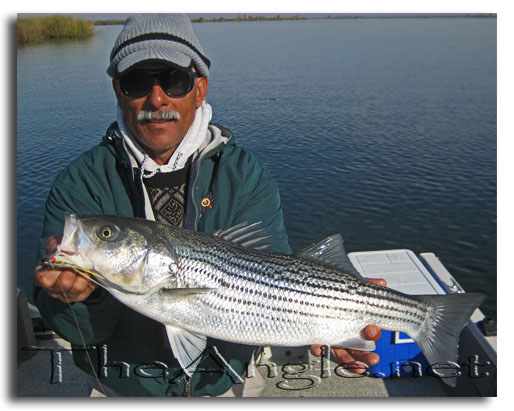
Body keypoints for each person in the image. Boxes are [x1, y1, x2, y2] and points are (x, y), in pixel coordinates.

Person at [33, 13, 383, 397]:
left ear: (200, 89)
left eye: (174, 80)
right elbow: (72, 329)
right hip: (122, 387)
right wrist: (73, 299)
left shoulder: (245, 174)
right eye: (137, 82)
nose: (156, 98)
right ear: (118, 90)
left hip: (229, 384)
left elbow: (279, 281)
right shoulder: (81, 183)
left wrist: (324, 321)